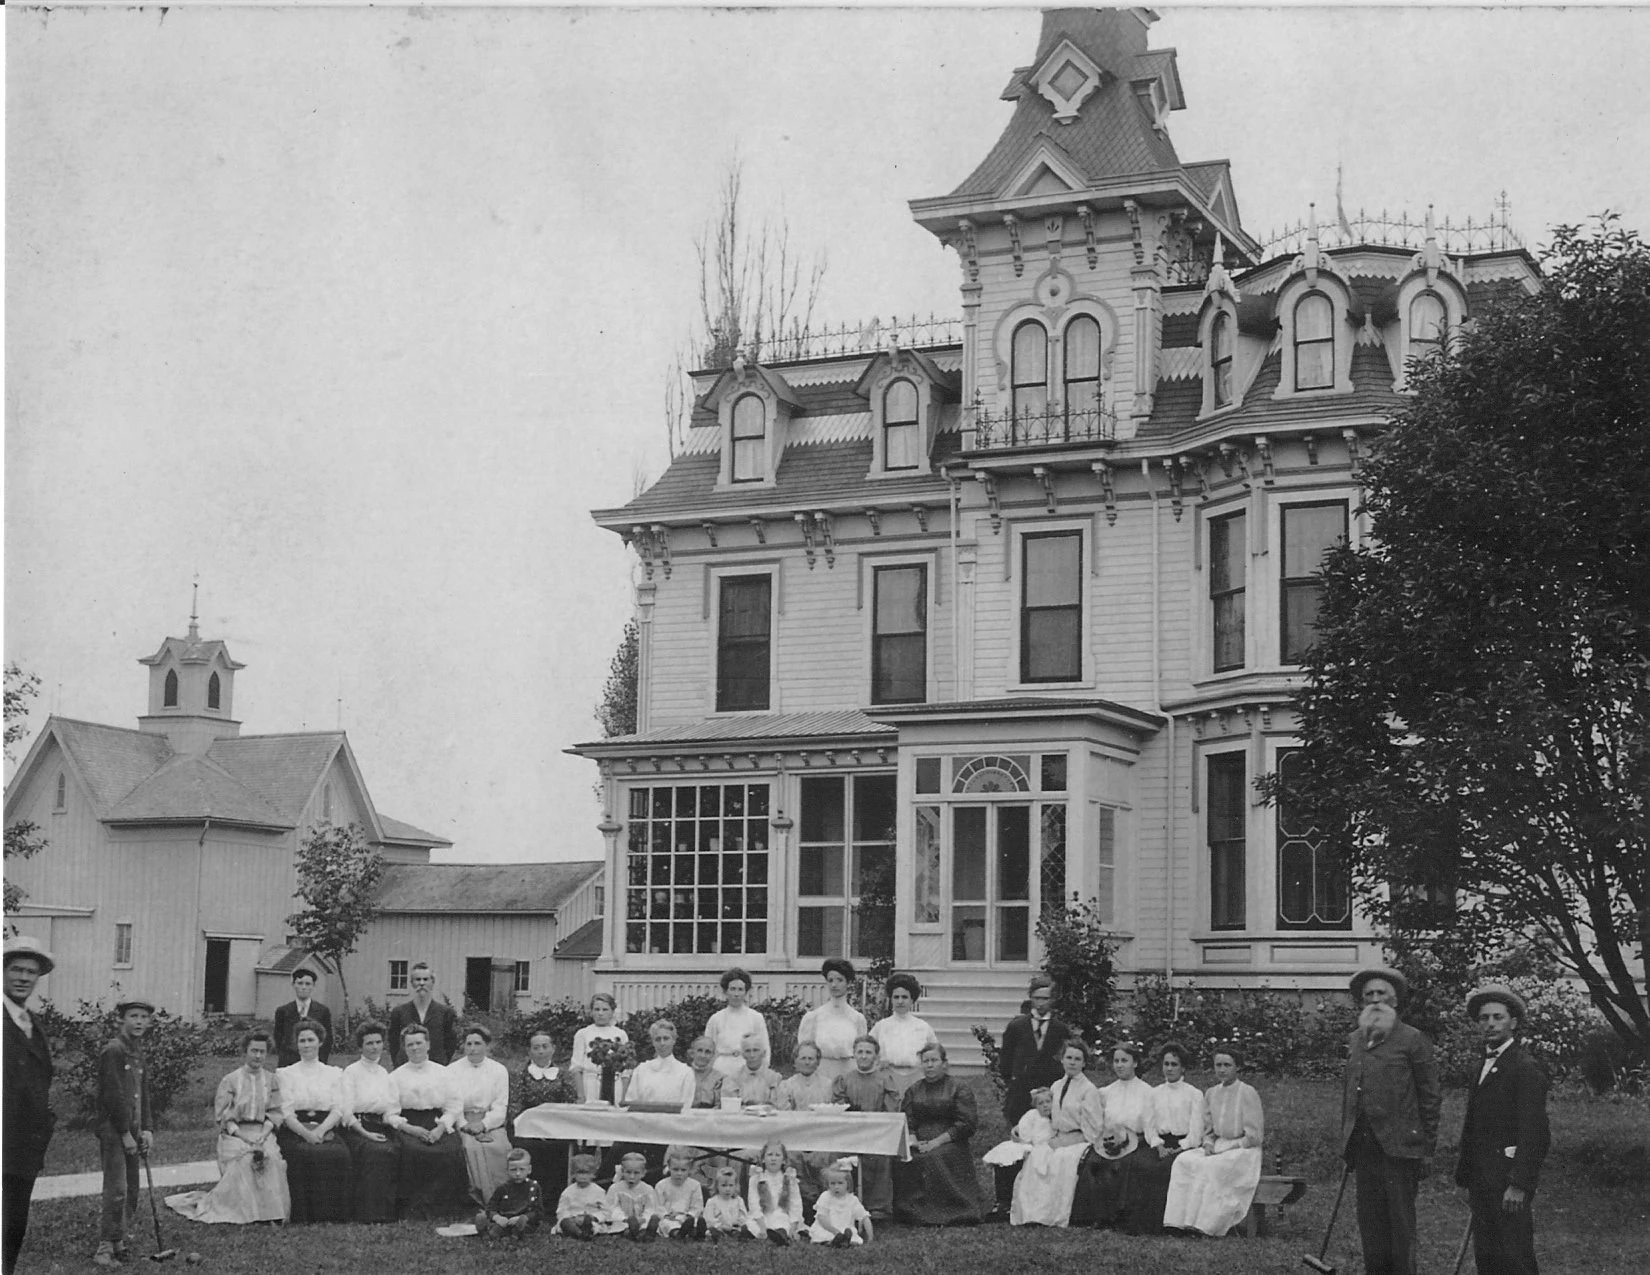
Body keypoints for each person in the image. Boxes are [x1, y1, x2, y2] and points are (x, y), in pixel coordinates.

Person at [1340, 966, 1441, 1275]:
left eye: (1381, 993)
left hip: (1399, 1148)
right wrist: (1346, 1143)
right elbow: (1348, 1097)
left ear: (1395, 1001)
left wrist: (1426, 1148)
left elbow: (1430, 1096)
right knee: (1370, 1222)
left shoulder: (1413, 1040)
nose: (1374, 1000)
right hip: (1364, 1148)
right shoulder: (1355, 1040)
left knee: (1399, 1224)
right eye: (1368, 994)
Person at [1454, 985, 1550, 1275]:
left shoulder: (1525, 1067)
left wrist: (1519, 1183)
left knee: (1515, 1256)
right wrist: (1466, 1175)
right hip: (1482, 1179)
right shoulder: (1481, 1065)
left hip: (1507, 1182)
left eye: (1498, 1017)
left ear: (1513, 1023)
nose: (1491, 1024)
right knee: (1488, 1257)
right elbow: (1474, 1126)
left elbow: (1535, 1133)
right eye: (1484, 1018)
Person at [165, 1030, 290, 1225]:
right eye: (253, 1051)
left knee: (270, 1158)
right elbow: (224, 1116)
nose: (258, 1056)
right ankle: (247, 1212)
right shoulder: (231, 1080)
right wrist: (243, 1136)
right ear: (245, 1052)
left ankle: (270, 1213)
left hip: (262, 1131)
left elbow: (275, 1111)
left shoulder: (271, 1080)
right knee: (246, 1159)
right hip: (236, 1133)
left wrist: (264, 1134)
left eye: (262, 1052)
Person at [1162, 1044, 1264, 1236]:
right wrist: (1208, 1144)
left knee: (1212, 1168)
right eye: (1218, 1065)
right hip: (1218, 1145)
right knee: (1184, 1161)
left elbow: (1255, 1136)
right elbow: (1208, 1129)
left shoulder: (1247, 1092)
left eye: (1227, 1065)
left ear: (1237, 1067)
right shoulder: (1211, 1093)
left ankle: (1206, 1225)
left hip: (1244, 1151)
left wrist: (1230, 1147)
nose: (1222, 1070)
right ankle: (1179, 1221)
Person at [3, 935, 55, 1275]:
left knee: (13, 1226)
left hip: (24, 1149)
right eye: (16, 970)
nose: (23, 978)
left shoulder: (32, 1023)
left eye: (31, 972)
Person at [1011, 1040, 1100, 1227]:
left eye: (1077, 1059)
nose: (1072, 1063)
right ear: (1062, 1060)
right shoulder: (1056, 1086)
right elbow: (1046, 1114)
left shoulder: (1088, 1090)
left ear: (1084, 1063)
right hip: (1056, 1136)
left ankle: (1054, 1214)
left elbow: (1093, 1126)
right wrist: (1022, 1128)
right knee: (1037, 1158)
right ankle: (1032, 1213)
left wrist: (1071, 1140)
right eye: (1069, 1058)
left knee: (1061, 1160)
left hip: (1079, 1139)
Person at [892, 1042, 984, 1226]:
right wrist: (913, 1140)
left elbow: (966, 1124)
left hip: (950, 1141)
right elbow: (907, 1120)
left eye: (934, 1060)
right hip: (920, 1140)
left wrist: (936, 1142)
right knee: (905, 1158)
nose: (929, 1065)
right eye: (925, 1061)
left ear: (944, 1063)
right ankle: (912, 1211)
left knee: (934, 1158)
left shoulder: (958, 1088)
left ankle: (950, 1210)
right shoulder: (914, 1090)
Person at [93, 999, 155, 1266]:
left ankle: (119, 1240)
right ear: (121, 1020)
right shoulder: (114, 1050)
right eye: (133, 1016)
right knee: (116, 1187)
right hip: (114, 1129)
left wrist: (147, 1128)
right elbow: (113, 1095)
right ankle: (104, 1247)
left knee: (131, 1187)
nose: (139, 1021)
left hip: (133, 1127)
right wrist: (124, 1134)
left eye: (144, 1017)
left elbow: (144, 1095)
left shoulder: (137, 1051)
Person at [1071, 1040, 1155, 1231]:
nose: (1119, 1065)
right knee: (1093, 1163)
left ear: (1135, 1063)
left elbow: (1149, 1125)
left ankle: (1119, 1217)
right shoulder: (1106, 1092)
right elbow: (1095, 1119)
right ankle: (1094, 1216)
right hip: (1109, 1140)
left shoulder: (1147, 1092)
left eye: (1124, 1060)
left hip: (1138, 1140)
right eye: (1116, 1061)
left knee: (1121, 1165)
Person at [389, 1023, 468, 1219]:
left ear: (428, 1045)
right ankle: (415, 1208)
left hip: (438, 1121)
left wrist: (441, 1128)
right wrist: (410, 1129)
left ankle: (445, 1208)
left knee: (449, 1151)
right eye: (410, 1045)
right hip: (409, 1124)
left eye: (418, 1043)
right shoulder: (395, 1077)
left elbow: (454, 1105)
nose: (415, 1048)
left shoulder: (444, 1073)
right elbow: (390, 1112)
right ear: (404, 1048)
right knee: (414, 1151)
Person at [276, 1019, 351, 1221]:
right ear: (296, 1044)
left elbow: (337, 1108)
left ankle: (332, 1214)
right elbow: (286, 1111)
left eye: (311, 1040)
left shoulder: (333, 1073)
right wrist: (306, 1133)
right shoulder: (286, 1074)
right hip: (295, 1128)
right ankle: (304, 1214)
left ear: (320, 1042)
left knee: (338, 1154)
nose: (307, 1045)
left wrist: (320, 1131)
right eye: (302, 1040)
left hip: (325, 1125)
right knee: (301, 1153)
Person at [1133, 1041, 1206, 1234]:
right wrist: (1158, 1145)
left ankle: (1167, 1224)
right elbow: (1149, 1125)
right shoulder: (1154, 1094)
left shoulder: (1194, 1094)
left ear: (1183, 1068)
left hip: (1183, 1144)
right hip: (1159, 1143)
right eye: (1166, 1064)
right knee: (1141, 1163)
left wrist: (1180, 1147)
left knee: (1166, 1168)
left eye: (1174, 1064)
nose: (1170, 1068)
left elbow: (1196, 1130)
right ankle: (1142, 1224)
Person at [339, 1020, 402, 1222]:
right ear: (361, 1046)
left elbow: (391, 1108)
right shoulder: (351, 1072)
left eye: (378, 1042)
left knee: (402, 1147)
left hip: (381, 1125)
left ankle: (393, 1210)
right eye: (369, 1043)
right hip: (357, 1127)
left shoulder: (385, 1073)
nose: (375, 1047)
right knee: (377, 1152)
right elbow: (346, 1112)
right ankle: (371, 1213)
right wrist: (366, 1133)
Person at [832, 1035, 900, 1218]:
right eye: (859, 1052)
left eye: (868, 1052)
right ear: (854, 1054)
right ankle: (845, 1200)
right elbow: (839, 1105)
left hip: (877, 1133)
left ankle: (878, 1206)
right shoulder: (845, 1080)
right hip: (850, 1132)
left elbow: (891, 1108)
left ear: (876, 1056)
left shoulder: (884, 1080)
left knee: (881, 1157)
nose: (863, 1056)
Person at [507, 1030, 577, 1200]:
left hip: (556, 1128)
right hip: (528, 1129)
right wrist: (530, 1126)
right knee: (531, 1149)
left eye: (545, 1046)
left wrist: (555, 1127)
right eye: (536, 1047)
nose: (540, 1051)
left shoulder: (563, 1075)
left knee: (560, 1149)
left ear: (553, 1049)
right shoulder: (520, 1075)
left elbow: (570, 1104)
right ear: (529, 1051)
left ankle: (555, 1199)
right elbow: (515, 1106)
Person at [447, 1025, 512, 1206]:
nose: (473, 1049)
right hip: (461, 1121)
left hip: (490, 1122)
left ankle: (502, 1199)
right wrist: (464, 1124)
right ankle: (479, 1200)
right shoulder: (452, 1070)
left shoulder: (499, 1070)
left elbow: (501, 1106)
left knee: (499, 1146)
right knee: (470, 1147)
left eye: (478, 1043)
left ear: (487, 1046)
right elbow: (451, 1103)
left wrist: (483, 1125)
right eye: (469, 1044)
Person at [999, 976, 1068, 1125]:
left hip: (1049, 1087)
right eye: (1036, 998)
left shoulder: (1060, 1029)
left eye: (1045, 999)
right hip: (1022, 1088)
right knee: (1021, 1126)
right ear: (1030, 998)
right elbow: (1006, 1058)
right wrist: (1012, 1081)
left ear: (1052, 1000)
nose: (1040, 1003)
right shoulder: (1017, 1027)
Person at [778, 1042, 836, 1212]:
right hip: (794, 1137)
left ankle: (826, 1204)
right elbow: (784, 1114)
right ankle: (802, 1204)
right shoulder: (786, 1085)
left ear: (818, 1062)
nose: (807, 1062)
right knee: (792, 1156)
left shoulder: (828, 1085)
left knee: (823, 1157)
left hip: (821, 1136)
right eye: (803, 1058)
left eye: (811, 1058)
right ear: (795, 1061)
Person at [798, 958, 868, 1083]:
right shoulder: (813, 1018)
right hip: (821, 1076)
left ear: (848, 983)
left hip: (849, 1076)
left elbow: (862, 1053)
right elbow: (804, 1054)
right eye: (830, 980)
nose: (834, 985)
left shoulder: (857, 1019)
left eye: (839, 980)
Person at [870, 972, 939, 1094]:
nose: (900, 1001)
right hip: (888, 1078)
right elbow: (869, 1050)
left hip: (917, 1078)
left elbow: (935, 1053)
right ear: (891, 999)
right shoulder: (881, 1026)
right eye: (896, 997)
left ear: (912, 999)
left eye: (904, 997)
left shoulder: (923, 1027)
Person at [387, 963, 461, 1067]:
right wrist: (399, 1063)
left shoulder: (446, 1013)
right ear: (412, 983)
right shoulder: (399, 1012)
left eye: (426, 979)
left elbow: (450, 1043)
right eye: (418, 979)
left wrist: (442, 1063)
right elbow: (393, 1043)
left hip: (436, 1067)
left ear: (432, 982)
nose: (422, 983)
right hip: (407, 1066)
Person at [705, 967, 770, 1079]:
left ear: (746, 992)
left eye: (740, 990)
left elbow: (764, 1048)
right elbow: (708, 1048)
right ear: (725, 991)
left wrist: (761, 1072)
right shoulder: (716, 1019)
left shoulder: (756, 1018)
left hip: (747, 1068)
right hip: (722, 1069)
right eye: (733, 989)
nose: (736, 994)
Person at [569, 992, 629, 1101]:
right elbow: (576, 1067)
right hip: (591, 1084)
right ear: (591, 1012)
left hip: (614, 1084)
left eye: (605, 1010)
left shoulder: (621, 1034)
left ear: (612, 1012)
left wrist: (623, 1097)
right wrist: (581, 1095)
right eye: (596, 1009)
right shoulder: (583, 1034)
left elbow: (625, 1070)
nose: (600, 1013)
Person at [474, 1146, 543, 1240]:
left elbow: (538, 1211)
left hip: (523, 1221)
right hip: (505, 1220)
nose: (518, 1173)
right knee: (491, 1225)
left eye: (522, 1169)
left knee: (523, 1226)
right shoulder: (503, 1188)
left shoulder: (533, 1187)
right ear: (507, 1170)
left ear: (529, 1169)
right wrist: (497, 1217)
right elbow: (491, 1207)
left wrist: (524, 1217)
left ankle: (515, 1234)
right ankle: (487, 1233)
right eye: (513, 1170)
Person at [273, 967, 333, 1068]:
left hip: (314, 1062)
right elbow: (278, 1038)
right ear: (293, 985)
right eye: (300, 983)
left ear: (313, 986)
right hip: (289, 1063)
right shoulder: (283, 1011)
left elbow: (327, 1040)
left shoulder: (323, 1011)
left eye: (308, 984)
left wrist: (321, 1062)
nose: (304, 987)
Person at [983, 1085, 1054, 1168]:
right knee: (1012, 1150)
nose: (1045, 1105)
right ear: (1036, 1106)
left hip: (1047, 1145)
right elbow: (1024, 1127)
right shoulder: (1033, 1115)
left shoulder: (1055, 1117)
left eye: (1048, 1102)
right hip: (1030, 1143)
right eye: (1040, 1103)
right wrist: (1027, 1141)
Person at [747, 1140, 803, 1244]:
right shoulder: (756, 1178)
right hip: (762, 1217)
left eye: (777, 1155)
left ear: (784, 1160)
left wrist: (793, 1227)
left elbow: (796, 1205)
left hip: (783, 1215)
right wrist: (762, 1227)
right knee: (752, 1226)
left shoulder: (789, 1178)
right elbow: (753, 1204)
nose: (773, 1158)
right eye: (769, 1155)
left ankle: (780, 1235)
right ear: (763, 1159)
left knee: (781, 1223)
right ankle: (767, 1234)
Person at [807, 1165, 874, 1246]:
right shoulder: (825, 1196)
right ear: (828, 1184)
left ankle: (844, 1241)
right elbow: (821, 1218)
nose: (836, 1187)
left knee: (852, 1237)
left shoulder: (852, 1199)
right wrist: (835, 1231)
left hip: (844, 1228)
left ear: (848, 1184)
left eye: (840, 1183)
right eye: (832, 1183)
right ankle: (833, 1242)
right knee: (824, 1237)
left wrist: (870, 1237)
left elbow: (864, 1217)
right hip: (828, 1228)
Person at [555, 1152, 611, 1240]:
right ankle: (580, 1234)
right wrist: (572, 1218)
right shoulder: (568, 1191)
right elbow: (561, 1210)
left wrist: (594, 1217)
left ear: (593, 1174)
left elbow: (606, 1211)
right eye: (580, 1173)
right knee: (565, 1223)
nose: (583, 1177)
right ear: (574, 1174)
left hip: (590, 1219)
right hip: (573, 1219)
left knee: (590, 1223)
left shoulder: (598, 1191)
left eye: (587, 1173)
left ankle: (586, 1231)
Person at [606, 1151, 661, 1240]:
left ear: (643, 1173)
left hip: (642, 1219)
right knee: (623, 1228)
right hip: (623, 1220)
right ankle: (633, 1232)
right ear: (622, 1171)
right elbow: (612, 1207)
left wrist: (643, 1218)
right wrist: (624, 1218)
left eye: (636, 1173)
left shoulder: (647, 1189)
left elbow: (651, 1207)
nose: (632, 1176)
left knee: (646, 1224)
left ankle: (647, 1233)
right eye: (628, 1172)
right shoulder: (615, 1188)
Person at [655, 1151, 706, 1240]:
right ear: (669, 1168)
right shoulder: (661, 1185)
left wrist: (690, 1215)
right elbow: (658, 1205)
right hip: (670, 1217)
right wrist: (665, 1215)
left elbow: (697, 1205)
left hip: (687, 1217)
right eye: (675, 1169)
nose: (679, 1173)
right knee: (666, 1224)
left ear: (689, 1170)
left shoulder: (695, 1185)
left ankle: (696, 1233)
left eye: (683, 1170)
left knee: (696, 1221)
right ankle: (678, 1234)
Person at [724, 1032, 784, 1108]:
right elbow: (730, 1106)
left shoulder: (775, 1078)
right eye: (748, 1051)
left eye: (755, 1050)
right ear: (743, 1054)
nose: (752, 1055)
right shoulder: (733, 1079)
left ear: (764, 1053)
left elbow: (779, 1106)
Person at [702, 1166, 755, 1242]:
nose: (727, 1189)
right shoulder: (712, 1202)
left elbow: (744, 1216)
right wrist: (721, 1226)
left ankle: (739, 1236)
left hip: (735, 1228)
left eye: (731, 1185)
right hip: (719, 1228)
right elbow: (709, 1220)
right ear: (717, 1186)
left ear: (735, 1186)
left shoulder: (738, 1200)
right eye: (724, 1185)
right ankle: (721, 1237)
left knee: (748, 1226)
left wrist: (738, 1223)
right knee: (711, 1231)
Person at [687, 1035, 724, 1108]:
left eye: (708, 1052)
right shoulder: (683, 1074)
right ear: (692, 1053)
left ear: (713, 1055)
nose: (703, 1056)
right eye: (700, 1051)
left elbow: (720, 1105)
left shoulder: (720, 1078)